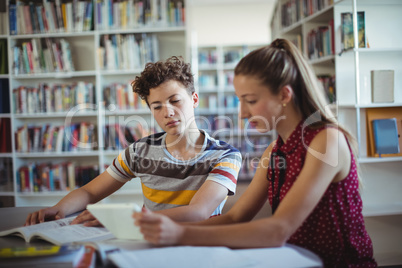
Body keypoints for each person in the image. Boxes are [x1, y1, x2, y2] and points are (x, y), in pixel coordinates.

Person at [133, 40, 377, 267]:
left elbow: (278, 230)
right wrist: (159, 226)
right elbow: (235, 217)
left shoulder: (326, 141)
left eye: (250, 100)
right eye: (240, 101)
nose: (242, 113)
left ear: (284, 95)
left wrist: (182, 234)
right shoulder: (274, 152)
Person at [25, 56, 242, 226]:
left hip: (197, 246)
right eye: (157, 106)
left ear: (194, 99)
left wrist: (121, 219)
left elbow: (198, 213)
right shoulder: (140, 151)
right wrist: (59, 209)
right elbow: (90, 192)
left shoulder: (225, 156)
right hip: (147, 239)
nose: (167, 112)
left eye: (175, 101)